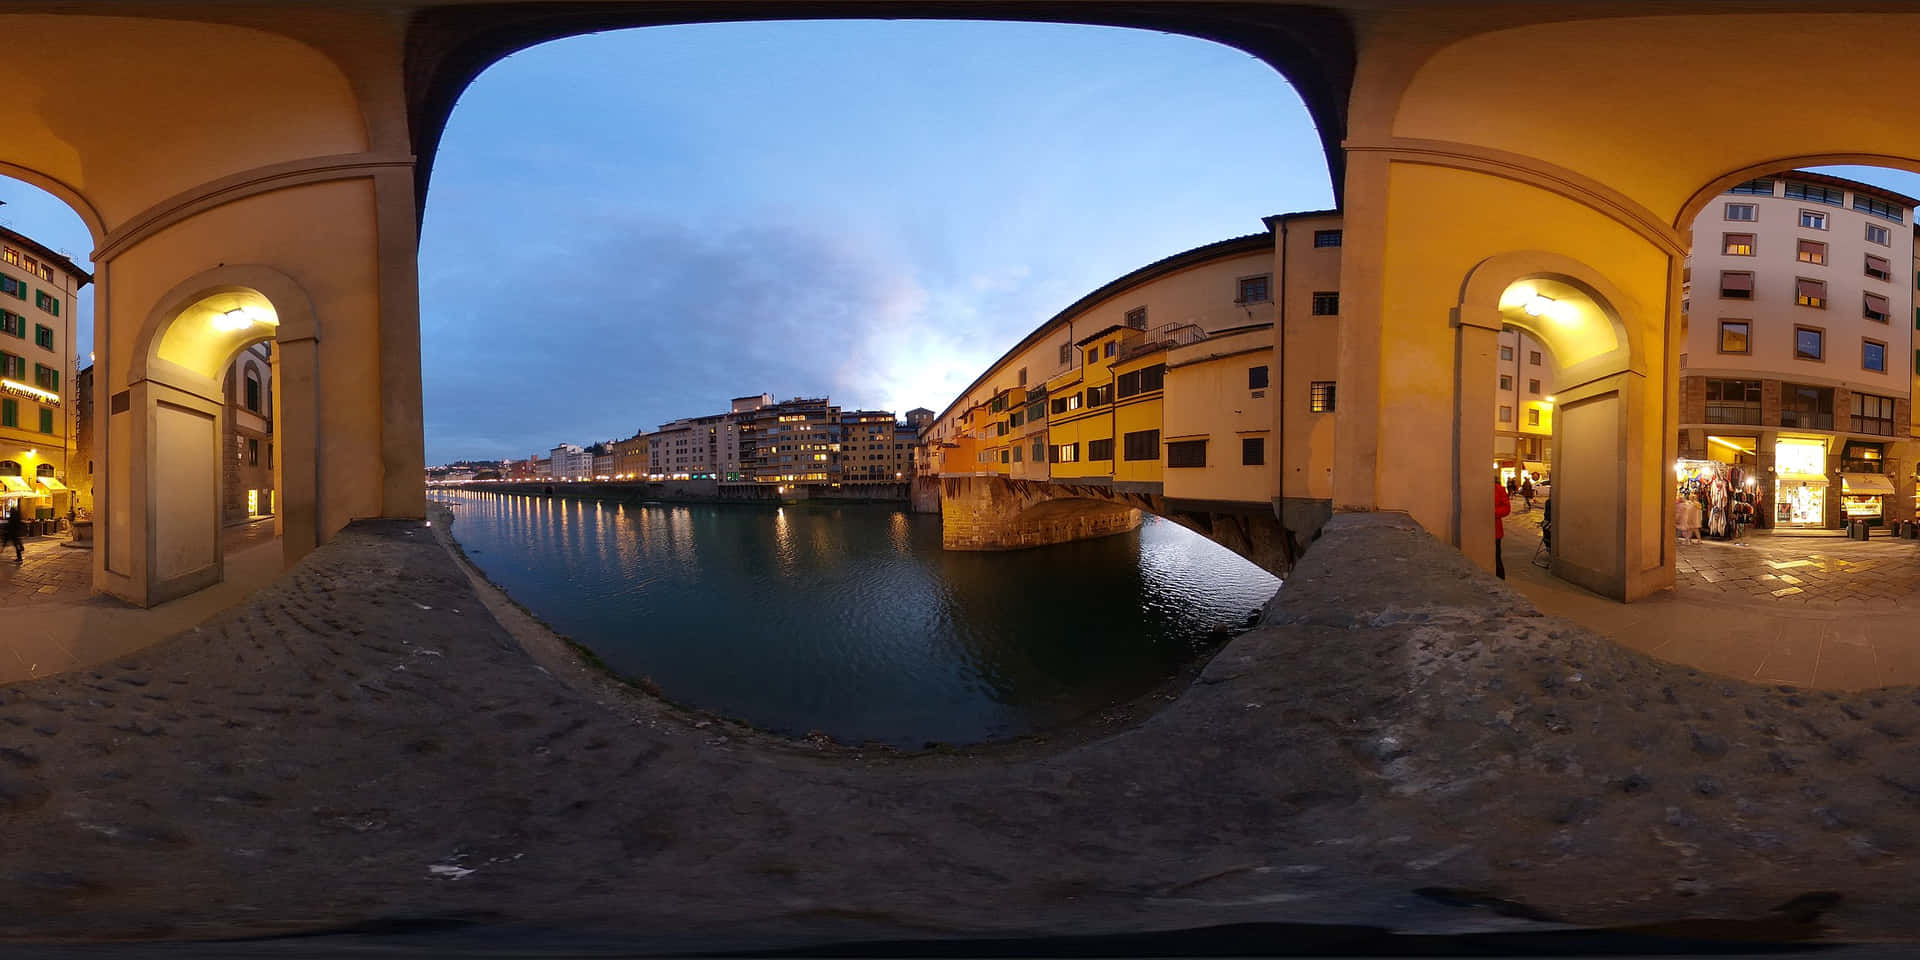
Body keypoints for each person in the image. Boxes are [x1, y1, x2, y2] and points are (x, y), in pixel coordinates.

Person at [1494, 479, 1511, 579]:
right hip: (1477, 530)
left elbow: (1506, 508)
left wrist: (1492, 511)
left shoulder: (1498, 489)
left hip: (1495, 531)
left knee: (1496, 558)